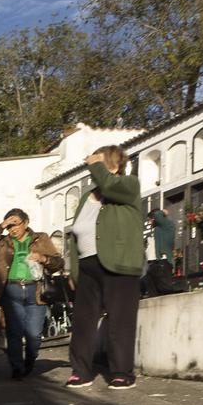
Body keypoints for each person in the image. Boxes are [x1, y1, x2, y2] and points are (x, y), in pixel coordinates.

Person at [64, 146, 145, 389]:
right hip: (88, 266)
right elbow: (75, 236)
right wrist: (73, 271)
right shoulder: (86, 198)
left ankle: (121, 372)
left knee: (120, 320)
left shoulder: (129, 186)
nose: (92, 164)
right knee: (83, 322)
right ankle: (81, 370)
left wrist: (96, 165)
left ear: (112, 164)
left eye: (98, 160)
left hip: (119, 264)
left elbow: (109, 186)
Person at [0, 208, 60, 379]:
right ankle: (17, 367)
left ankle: (29, 360)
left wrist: (44, 259)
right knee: (14, 332)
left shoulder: (40, 238)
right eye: (9, 226)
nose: (12, 229)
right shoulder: (2, 241)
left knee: (34, 334)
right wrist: (0, 226)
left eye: (16, 225)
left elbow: (58, 263)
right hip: (11, 290)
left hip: (35, 290)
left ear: (26, 223)